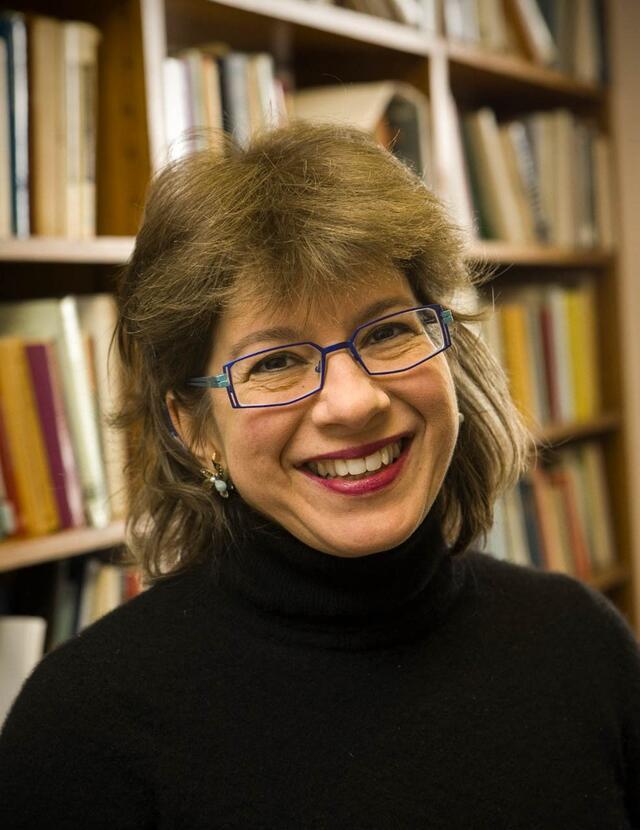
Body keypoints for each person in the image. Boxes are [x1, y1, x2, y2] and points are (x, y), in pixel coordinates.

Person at [0, 122, 639, 829]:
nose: (355, 401)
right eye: (274, 362)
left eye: (389, 330)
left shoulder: (583, 644)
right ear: (193, 429)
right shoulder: (84, 730)